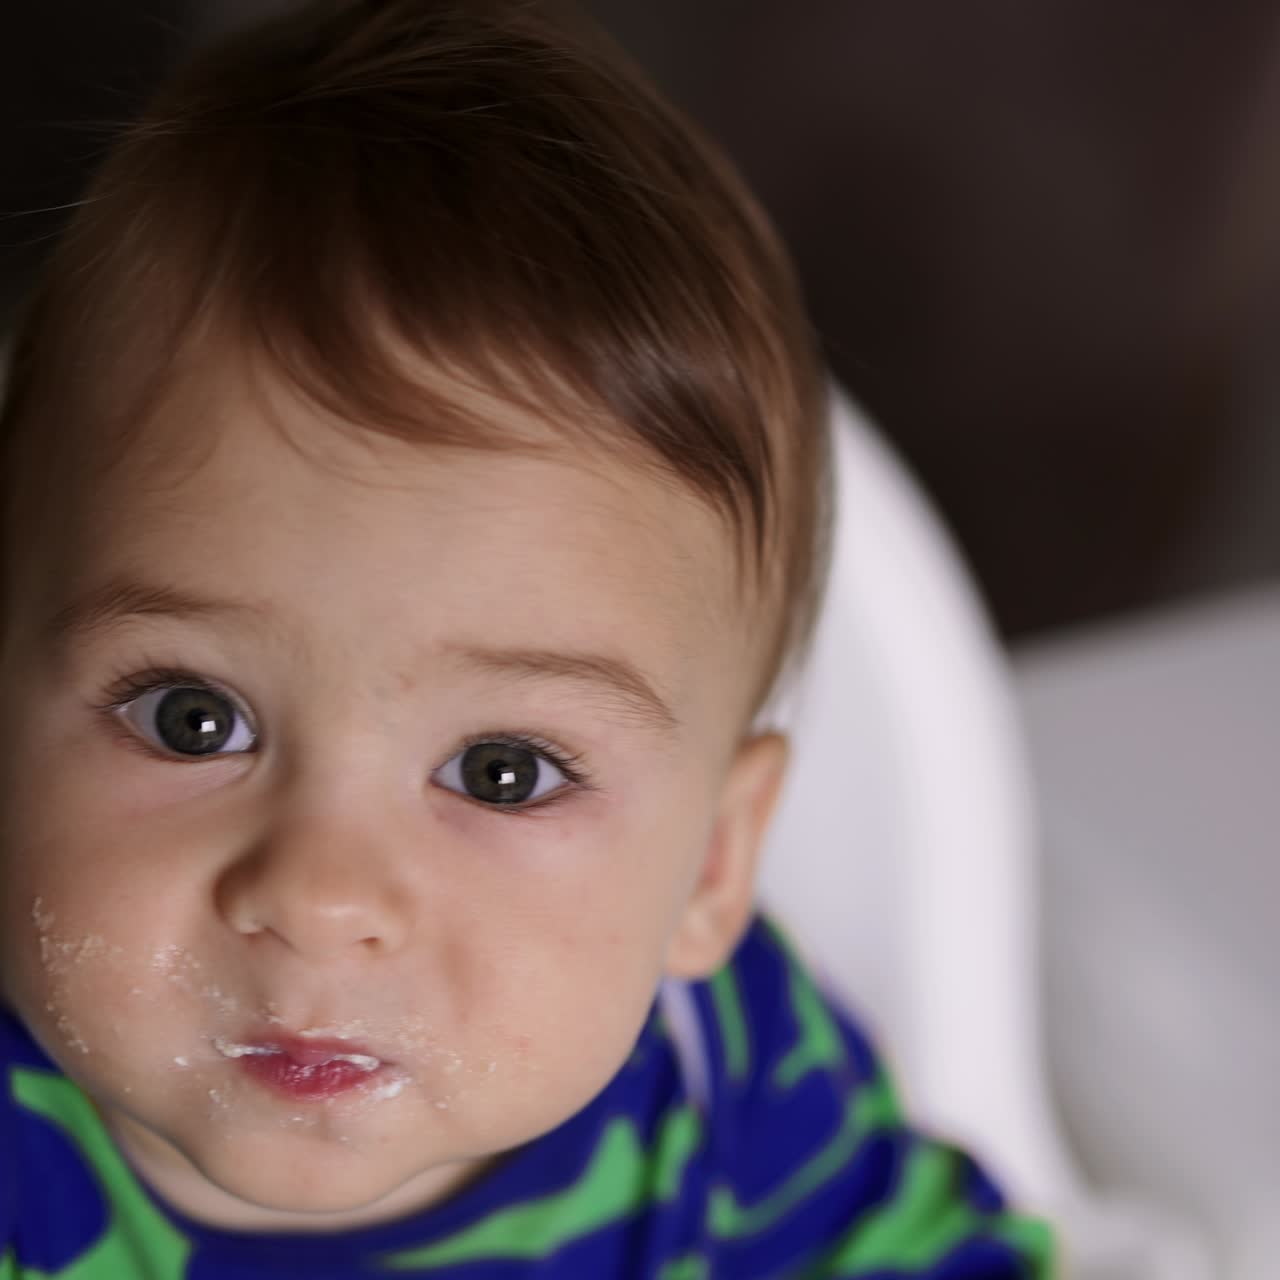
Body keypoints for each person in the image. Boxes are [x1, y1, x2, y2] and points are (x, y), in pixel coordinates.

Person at [0, 1, 1055, 1274]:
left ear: (712, 864)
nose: (324, 897)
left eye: (504, 770)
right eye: (192, 716)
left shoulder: (723, 1072)